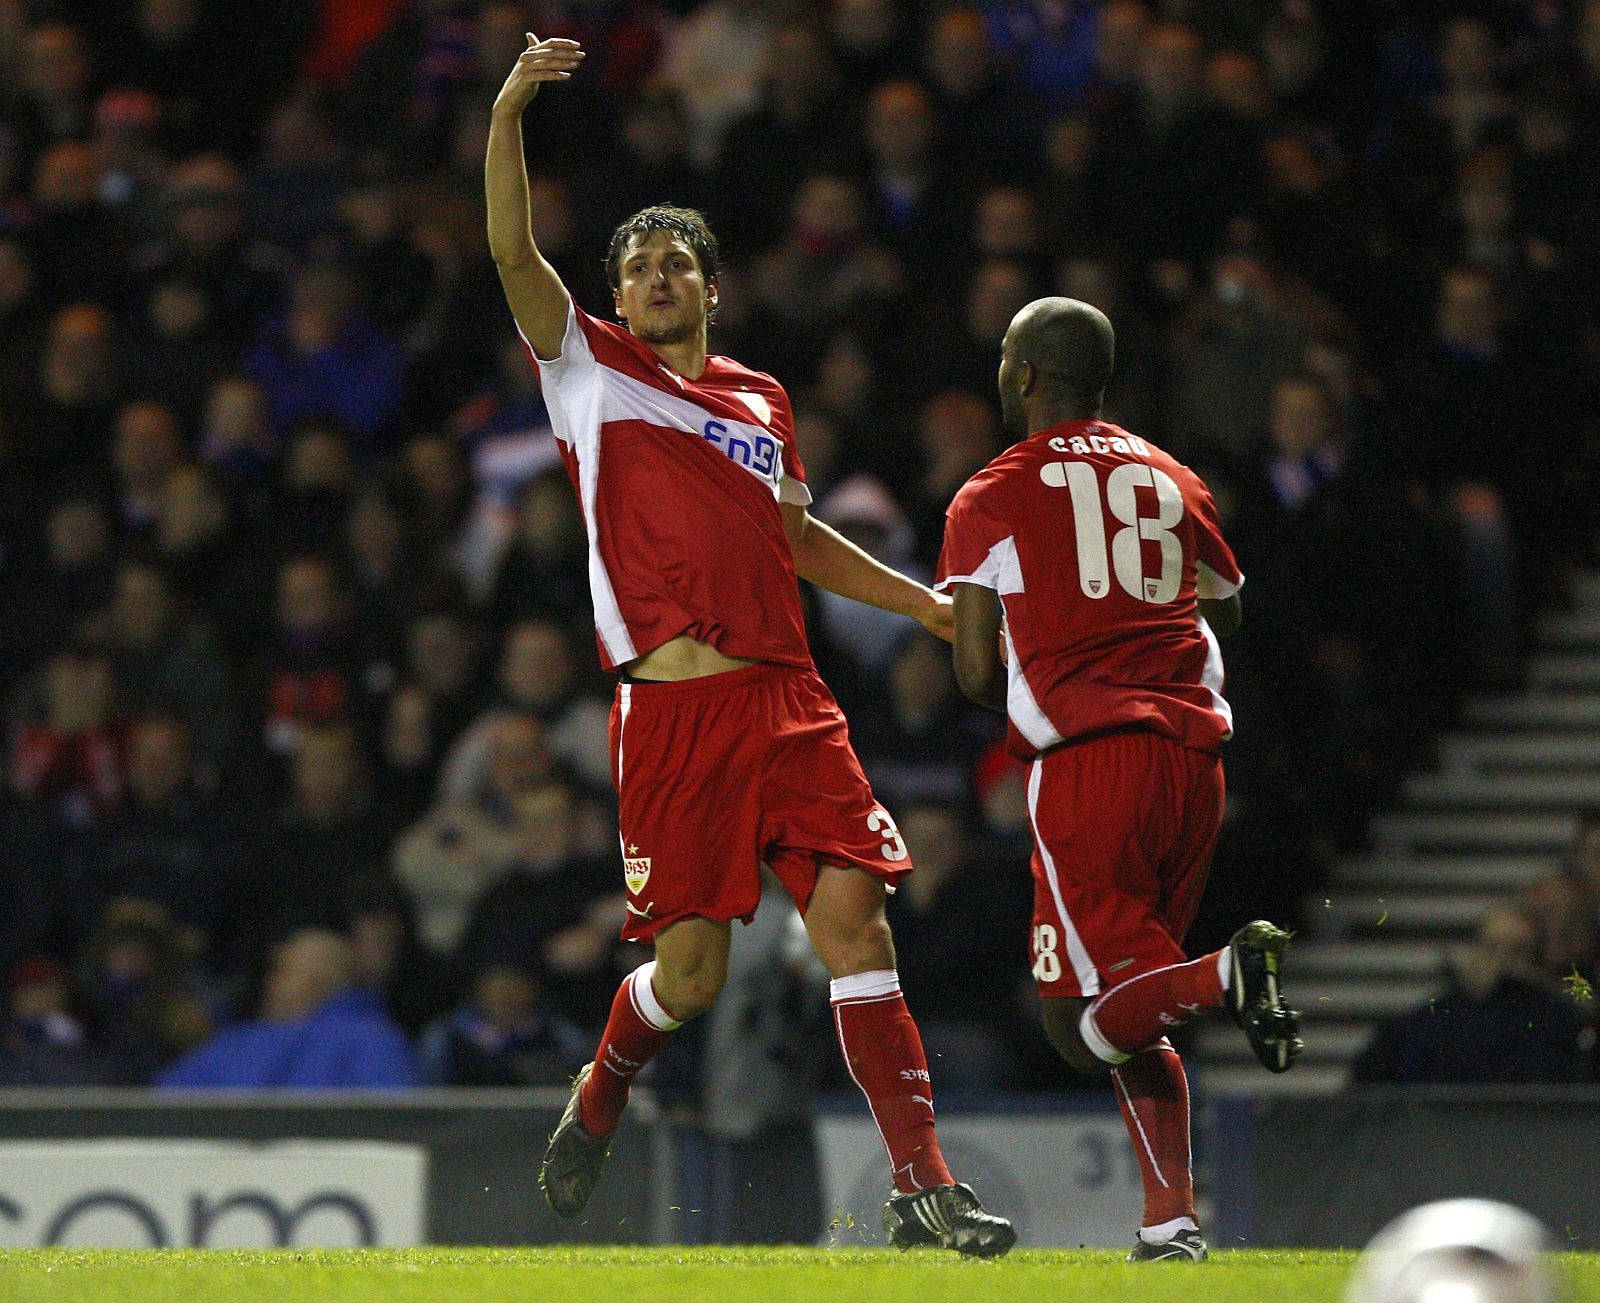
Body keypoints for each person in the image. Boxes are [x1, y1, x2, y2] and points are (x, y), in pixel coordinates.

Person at [485, 34, 1013, 1256]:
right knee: (695, 978)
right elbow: (512, 248)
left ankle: (920, 1182)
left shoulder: (760, 400)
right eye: (638, 266)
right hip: (669, 717)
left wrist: (924, 605)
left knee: (855, 925)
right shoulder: (585, 369)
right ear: (613, 297)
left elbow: (798, 540)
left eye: (678, 262)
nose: (658, 277)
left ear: (712, 289)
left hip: (786, 699)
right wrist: (510, 110)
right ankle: (605, 1082)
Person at [936, 296, 1302, 1261]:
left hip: (1089, 762)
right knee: (1135, 995)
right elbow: (1224, 605)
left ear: (1021, 373)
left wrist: (1049, 644)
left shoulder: (991, 493)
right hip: (1191, 759)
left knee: (1080, 1022)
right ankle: (1171, 1223)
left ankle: (1226, 974)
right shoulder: (1175, 477)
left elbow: (976, 675)